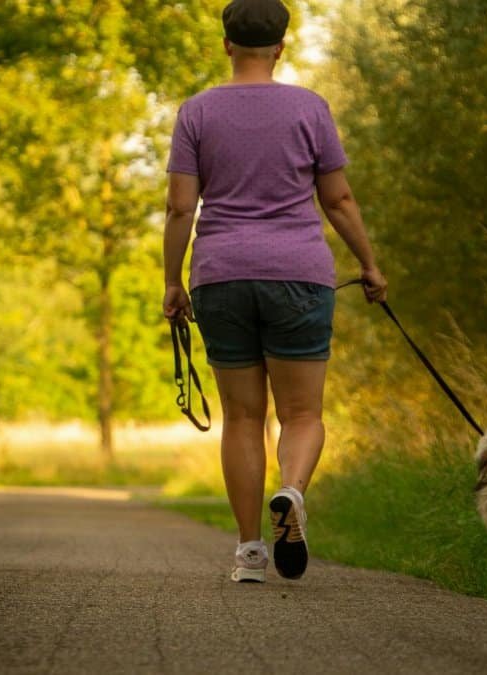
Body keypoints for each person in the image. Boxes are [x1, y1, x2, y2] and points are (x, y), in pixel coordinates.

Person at [162, 0, 387, 583]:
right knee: (303, 413)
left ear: (227, 45)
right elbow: (338, 199)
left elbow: (180, 205)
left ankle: (250, 554)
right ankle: (291, 492)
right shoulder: (310, 108)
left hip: (222, 274)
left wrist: (172, 281)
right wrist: (369, 265)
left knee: (242, 418)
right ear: (281, 47)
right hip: (299, 274)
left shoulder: (197, 112)